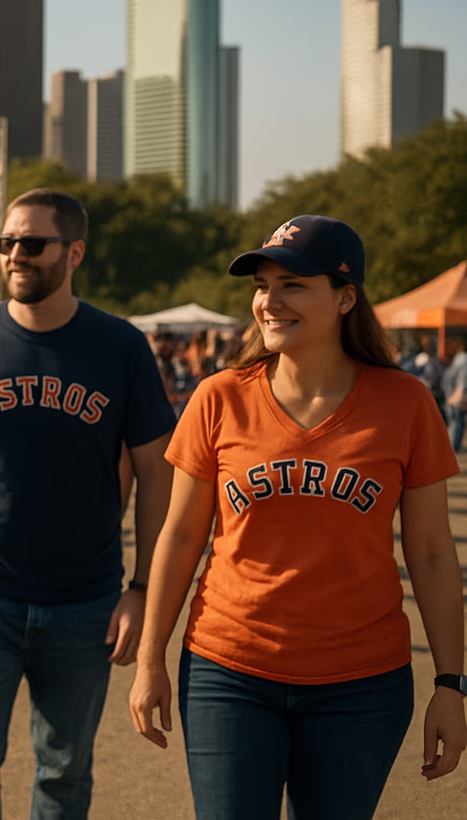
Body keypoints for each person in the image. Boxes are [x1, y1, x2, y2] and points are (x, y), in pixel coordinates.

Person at [129, 216, 466, 819]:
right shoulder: (219, 397)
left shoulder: (406, 403)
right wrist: (151, 658)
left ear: (344, 297)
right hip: (228, 670)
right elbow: (179, 536)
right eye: (262, 284)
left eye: (292, 284)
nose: (269, 301)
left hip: (361, 682)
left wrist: (450, 685)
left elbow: (435, 554)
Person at [0, 188, 177, 820]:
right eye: (8, 243)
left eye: (33, 243)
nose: (16, 254)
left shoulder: (121, 347)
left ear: (74, 252)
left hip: (87, 600)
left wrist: (141, 588)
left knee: (65, 774)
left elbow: (158, 474)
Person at [443, 337, 467, 451]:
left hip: (452, 397)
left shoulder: (457, 360)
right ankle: (454, 446)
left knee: (454, 421)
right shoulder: (463, 359)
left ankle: (452, 445)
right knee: (457, 422)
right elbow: (462, 379)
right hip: (457, 397)